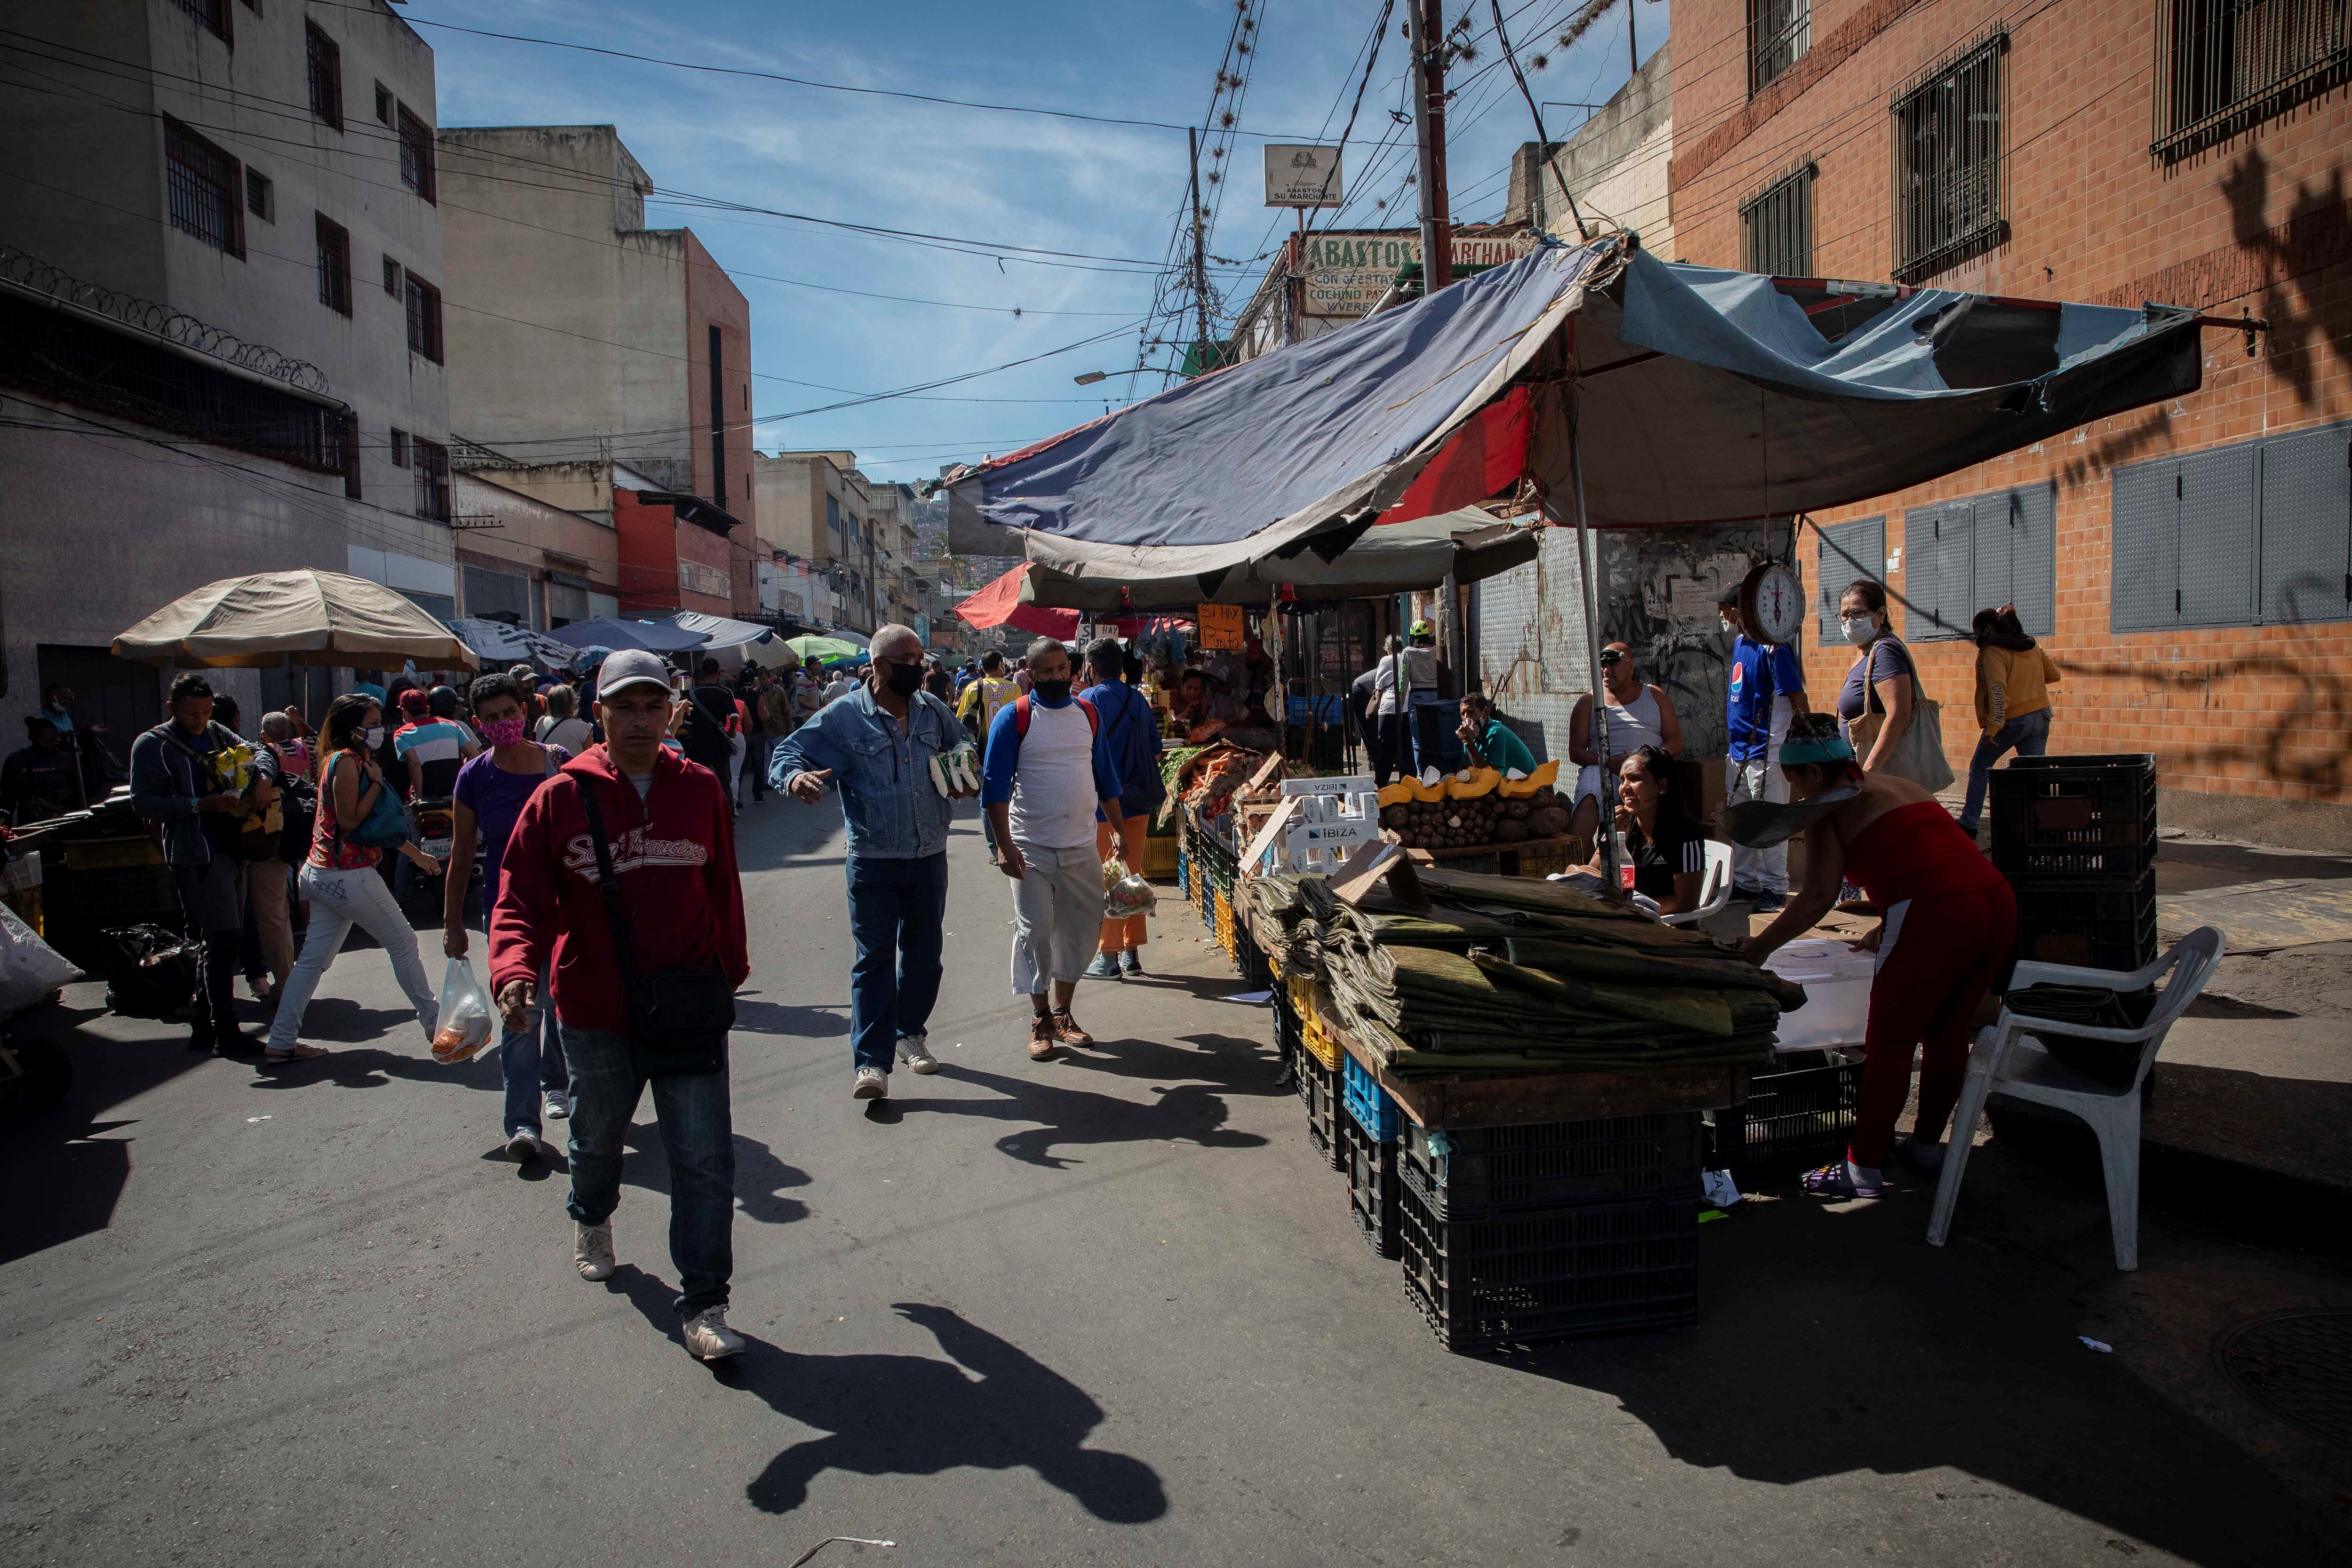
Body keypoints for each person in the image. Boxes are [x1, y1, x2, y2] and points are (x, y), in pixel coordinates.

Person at [492, 648, 749, 1361]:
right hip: (595, 1008)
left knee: (703, 1158)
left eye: (650, 706)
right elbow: (519, 898)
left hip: (688, 1005)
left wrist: (728, 973)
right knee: (597, 1134)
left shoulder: (698, 789)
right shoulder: (559, 798)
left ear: (671, 711)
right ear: (595, 713)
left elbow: (722, 886)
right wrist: (514, 969)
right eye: (623, 707)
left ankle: (705, 1302)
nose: (639, 721)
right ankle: (592, 1213)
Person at [1740, 715, 2017, 1200]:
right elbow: (1930, 857)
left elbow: (1816, 898)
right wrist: (1891, 921)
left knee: (1889, 1041)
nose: (1797, 798)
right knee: (1948, 1031)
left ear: (1813, 775)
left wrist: (1758, 949)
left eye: (1795, 784)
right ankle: (1927, 1148)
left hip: (1935, 911)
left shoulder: (1827, 809)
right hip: (1993, 901)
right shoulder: (1898, 785)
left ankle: (1862, 1167)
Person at [770, 625, 966, 1100]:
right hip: (873, 861)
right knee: (874, 961)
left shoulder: (932, 711)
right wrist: (795, 779)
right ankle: (871, 1063)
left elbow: (962, 742)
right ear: (879, 666)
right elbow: (786, 752)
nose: (919, 668)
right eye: (908, 660)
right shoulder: (842, 717)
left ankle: (908, 1033)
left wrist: (962, 764)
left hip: (927, 856)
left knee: (924, 958)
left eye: (921, 659)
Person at [263, 693, 444, 1065]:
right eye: (374, 722)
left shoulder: (340, 760)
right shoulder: (347, 763)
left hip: (322, 873)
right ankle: (436, 1025)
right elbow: (350, 822)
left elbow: (373, 831)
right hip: (348, 875)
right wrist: (376, 784)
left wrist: (418, 855)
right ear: (352, 727)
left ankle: (281, 1040)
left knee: (311, 961)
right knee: (404, 943)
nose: (379, 729)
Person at [446, 673, 572, 1161]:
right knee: (518, 1008)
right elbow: (461, 853)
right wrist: (452, 923)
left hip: (562, 903)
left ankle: (557, 1084)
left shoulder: (555, 764)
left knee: (559, 1001)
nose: (503, 724)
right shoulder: (473, 776)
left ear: (525, 712)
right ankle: (523, 1123)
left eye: (509, 714)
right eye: (492, 718)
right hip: (505, 908)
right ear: (478, 724)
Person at [981, 639, 1126, 1061]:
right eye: (1047, 671)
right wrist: (1003, 847)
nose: (1058, 676)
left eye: (1064, 668)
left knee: (1080, 933)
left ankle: (1064, 1013)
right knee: (1036, 932)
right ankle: (1041, 1017)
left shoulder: (1088, 714)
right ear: (1030, 673)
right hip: (1031, 847)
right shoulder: (1015, 717)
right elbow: (994, 789)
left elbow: (1106, 776)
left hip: (1082, 846)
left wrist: (1117, 829)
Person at [129, 675, 271, 1056]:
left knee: (217, 939)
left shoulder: (216, 731)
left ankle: (204, 1026)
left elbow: (260, 751)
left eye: (206, 711)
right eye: (192, 712)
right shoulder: (152, 745)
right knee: (222, 940)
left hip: (229, 846)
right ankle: (224, 1030)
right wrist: (196, 806)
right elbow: (143, 803)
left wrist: (263, 778)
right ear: (171, 707)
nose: (199, 719)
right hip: (195, 854)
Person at [1079, 638, 1165, 979]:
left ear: (1092, 668)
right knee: (1132, 874)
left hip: (1103, 807)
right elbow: (1155, 749)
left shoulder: (1087, 700)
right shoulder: (1138, 699)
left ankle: (1109, 956)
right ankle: (1132, 953)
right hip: (1139, 801)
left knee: (1109, 879)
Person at [1721, 591, 1811, 914]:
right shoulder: (1740, 644)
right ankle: (1744, 883)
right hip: (1739, 751)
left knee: (1771, 824)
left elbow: (1797, 698)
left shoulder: (1775, 650)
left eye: (1726, 611)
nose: (1723, 617)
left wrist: (1801, 744)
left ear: (1742, 610)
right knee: (1743, 821)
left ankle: (1775, 886)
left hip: (1767, 752)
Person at [1566, 643, 1684, 861]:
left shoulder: (1654, 695)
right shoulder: (1588, 702)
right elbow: (1576, 753)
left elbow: (1676, 742)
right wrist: (1608, 762)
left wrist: (1647, 761)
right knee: (1590, 792)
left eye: (1613, 664)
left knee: (1650, 784)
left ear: (1631, 668)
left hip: (1648, 770)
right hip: (1604, 769)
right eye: (1603, 665)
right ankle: (1573, 866)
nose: (1606, 670)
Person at [1959, 604, 2061, 837]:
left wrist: (1993, 728)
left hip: (2012, 720)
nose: (1977, 638)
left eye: (1977, 633)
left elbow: (1998, 689)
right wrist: (2027, 681)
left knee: (1980, 767)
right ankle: (2041, 826)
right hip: (2041, 716)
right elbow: (2054, 675)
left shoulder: (1992, 651)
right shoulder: (2031, 645)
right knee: (2035, 775)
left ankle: (1969, 825)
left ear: (1987, 629)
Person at [1575, 746, 1708, 915]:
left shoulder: (1685, 831)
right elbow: (1591, 877)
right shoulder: (1623, 823)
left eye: (1634, 779)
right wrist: (1611, 838)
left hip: (1665, 925)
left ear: (1662, 786)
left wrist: (1629, 911)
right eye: (1622, 780)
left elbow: (1685, 903)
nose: (1625, 788)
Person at [1834, 579, 1919, 777]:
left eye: (1858, 613)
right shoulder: (1866, 650)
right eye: (1845, 615)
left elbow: (1899, 714)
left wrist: (1869, 773)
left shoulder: (1885, 650)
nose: (1850, 621)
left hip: (1877, 775)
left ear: (1880, 614)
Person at [394, 687, 479, 801]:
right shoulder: (452, 726)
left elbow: (414, 763)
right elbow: (473, 754)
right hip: (456, 794)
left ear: (404, 712)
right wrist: (462, 781)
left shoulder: (402, 734)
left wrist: (419, 798)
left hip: (427, 798)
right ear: (428, 708)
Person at [2, 717, 85, 825]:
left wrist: (70, 792)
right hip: (29, 824)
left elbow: (84, 789)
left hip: (63, 821)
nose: (51, 744)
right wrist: (4, 829)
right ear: (31, 738)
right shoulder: (16, 761)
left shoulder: (67, 759)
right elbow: (7, 801)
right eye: (45, 741)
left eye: (55, 740)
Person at [1455, 692, 1539, 776]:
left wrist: (1468, 742)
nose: (1466, 718)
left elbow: (1490, 779)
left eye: (1471, 712)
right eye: (1463, 714)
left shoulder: (1496, 733)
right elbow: (1464, 768)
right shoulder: (1470, 735)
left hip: (1528, 785)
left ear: (1486, 713)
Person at [534, 683, 595, 755]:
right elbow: (591, 756)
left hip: (545, 766)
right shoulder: (584, 729)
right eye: (575, 700)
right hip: (573, 766)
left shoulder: (541, 723)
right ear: (570, 704)